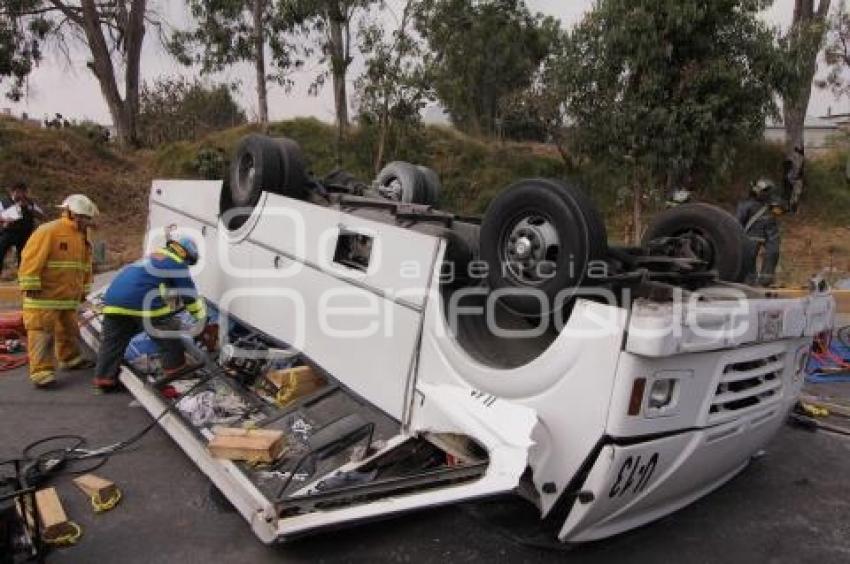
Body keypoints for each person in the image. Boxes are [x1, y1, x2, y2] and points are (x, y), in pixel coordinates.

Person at [92, 236, 206, 392]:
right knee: (169, 335)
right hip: (142, 304)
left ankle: (104, 380)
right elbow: (189, 295)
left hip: (113, 302)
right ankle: (176, 373)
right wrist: (201, 318)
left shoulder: (152, 257)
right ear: (185, 254)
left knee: (113, 342)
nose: (187, 265)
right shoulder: (176, 263)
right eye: (189, 262)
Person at [18, 194, 98, 388]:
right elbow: (31, 259)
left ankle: (70, 359)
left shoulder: (82, 237)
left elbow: (84, 267)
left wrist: (83, 291)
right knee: (41, 334)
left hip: (67, 297)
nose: (85, 221)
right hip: (43, 298)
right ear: (70, 213)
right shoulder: (49, 231)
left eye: (87, 218)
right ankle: (42, 373)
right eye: (82, 217)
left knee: (68, 330)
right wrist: (30, 285)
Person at [736, 178, 784, 287]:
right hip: (752, 234)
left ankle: (766, 279)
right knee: (749, 256)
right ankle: (749, 279)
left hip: (771, 233)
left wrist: (778, 206)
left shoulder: (772, 204)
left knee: (773, 252)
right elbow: (738, 221)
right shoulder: (746, 205)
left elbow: (783, 209)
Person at [0, 181, 45, 276]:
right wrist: (4, 220)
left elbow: (41, 215)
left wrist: (29, 208)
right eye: (18, 192)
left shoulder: (30, 203)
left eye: (23, 192)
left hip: (24, 234)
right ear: (13, 192)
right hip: (8, 232)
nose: (21, 195)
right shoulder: (4, 202)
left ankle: (23, 277)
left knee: (24, 256)